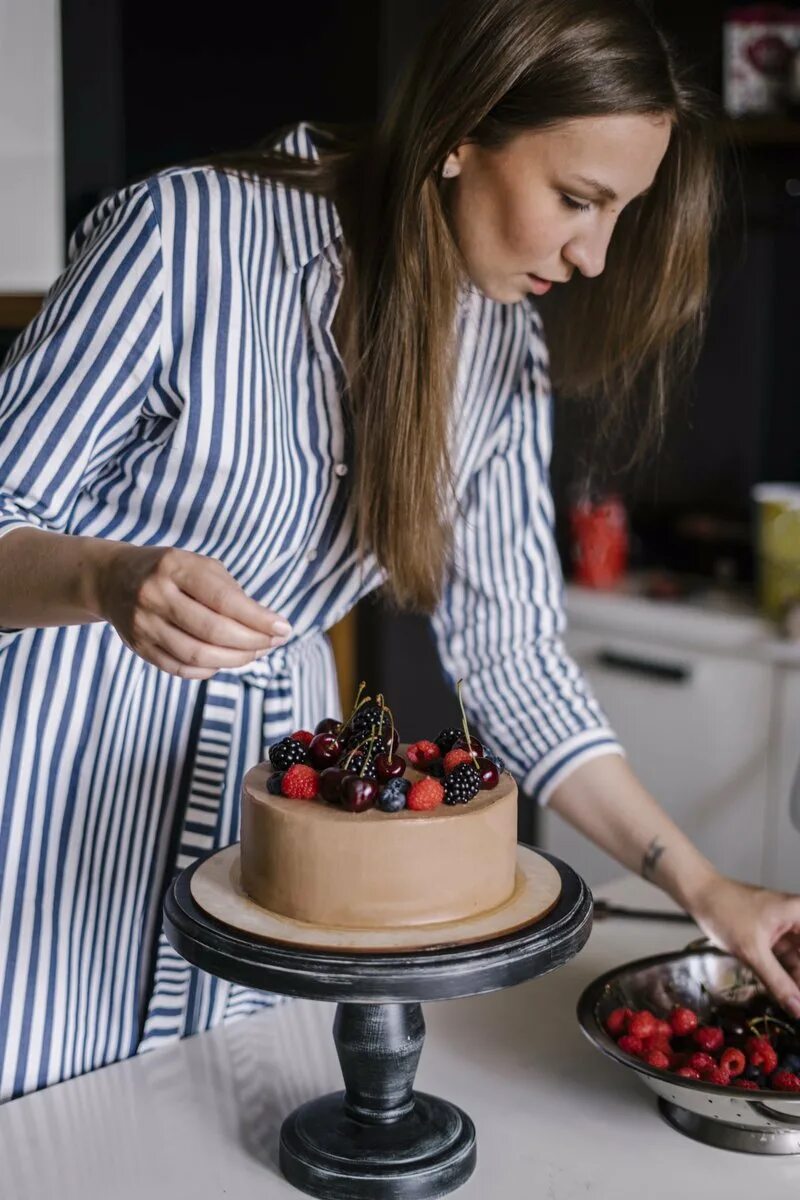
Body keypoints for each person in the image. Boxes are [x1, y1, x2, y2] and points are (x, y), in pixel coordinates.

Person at [1, 0, 798, 1104]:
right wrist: (103, 577)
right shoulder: (185, 235)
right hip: (46, 789)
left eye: (618, 215)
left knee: (201, 1129)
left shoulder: (497, 344)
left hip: (276, 836)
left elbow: (513, 657)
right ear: (460, 133)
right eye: (577, 200)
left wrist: (705, 888)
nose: (593, 253)